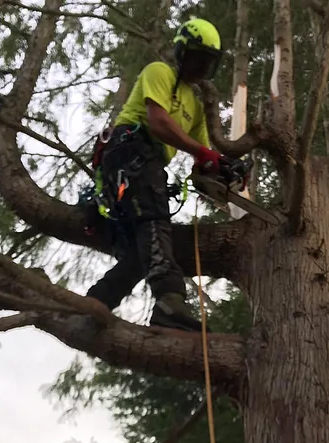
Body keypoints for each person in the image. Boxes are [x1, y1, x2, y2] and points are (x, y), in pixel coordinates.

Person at [86, 18, 226, 332]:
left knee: (144, 245)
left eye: (207, 62)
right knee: (154, 221)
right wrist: (204, 154)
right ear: (182, 52)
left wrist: (222, 169)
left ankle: (97, 300)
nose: (201, 67)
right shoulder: (159, 72)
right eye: (196, 58)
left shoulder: (196, 107)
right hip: (129, 150)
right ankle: (169, 300)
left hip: (150, 165)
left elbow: (201, 159)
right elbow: (159, 123)